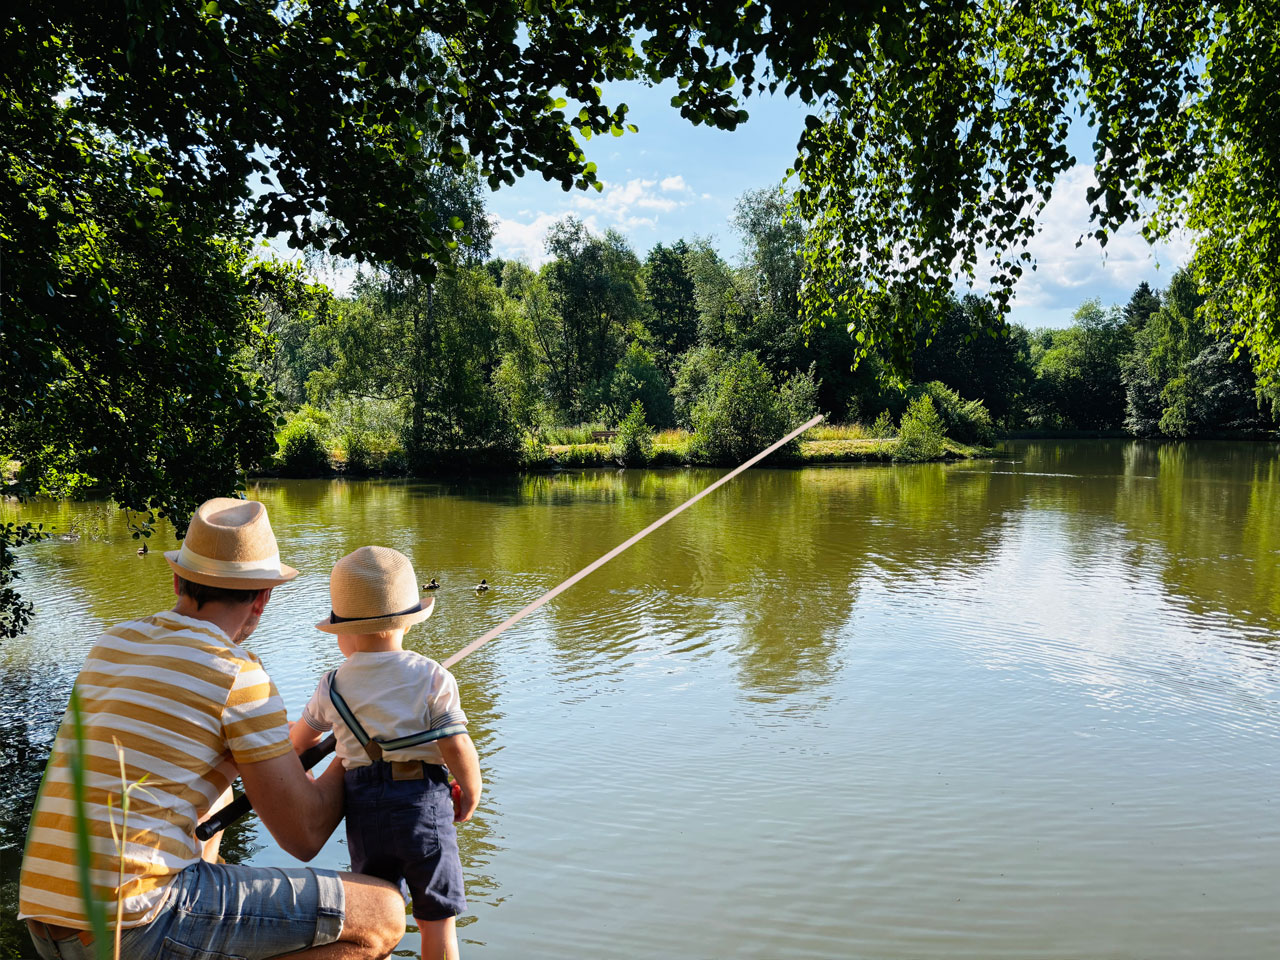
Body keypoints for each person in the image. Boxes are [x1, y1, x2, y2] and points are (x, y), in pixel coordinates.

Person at [19, 497, 406, 959]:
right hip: (135, 922)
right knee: (381, 913)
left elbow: (185, 738)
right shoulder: (237, 673)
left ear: (178, 578)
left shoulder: (112, 644)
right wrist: (360, 736)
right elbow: (304, 836)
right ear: (263, 598)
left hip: (46, 920)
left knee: (218, 796)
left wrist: (288, 739)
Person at [291, 546, 482, 960]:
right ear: (407, 625)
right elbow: (456, 742)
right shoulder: (432, 674)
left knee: (376, 913)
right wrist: (470, 789)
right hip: (424, 804)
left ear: (343, 633)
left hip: (364, 809)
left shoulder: (333, 684)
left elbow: (300, 742)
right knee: (438, 915)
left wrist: (298, 770)